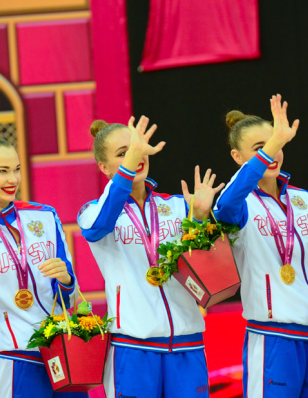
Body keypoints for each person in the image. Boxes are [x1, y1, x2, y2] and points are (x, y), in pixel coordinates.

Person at [78, 116, 223, 398]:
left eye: (137, 148)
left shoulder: (178, 205)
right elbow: (98, 228)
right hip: (133, 347)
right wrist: (128, 167)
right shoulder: (92, 212)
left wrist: (203, 220)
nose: (137, 156)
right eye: (124, 153)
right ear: (104, 168)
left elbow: (207, 266)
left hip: (186, 343)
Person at [214, 95, 308, 397]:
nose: (273, 153)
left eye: (275, 144)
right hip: (274, 337)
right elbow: (226, 204)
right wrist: (272, 144)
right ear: (237, 157)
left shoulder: (303, 199)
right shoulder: (238, 203)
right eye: (260, 148)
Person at [0, 130, 84, 398]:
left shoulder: (45, 216)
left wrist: (67, 280)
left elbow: (67, 294)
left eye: (16, 169)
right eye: (2, 171)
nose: (12, 179)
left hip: (64, 355)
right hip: (13, 360)